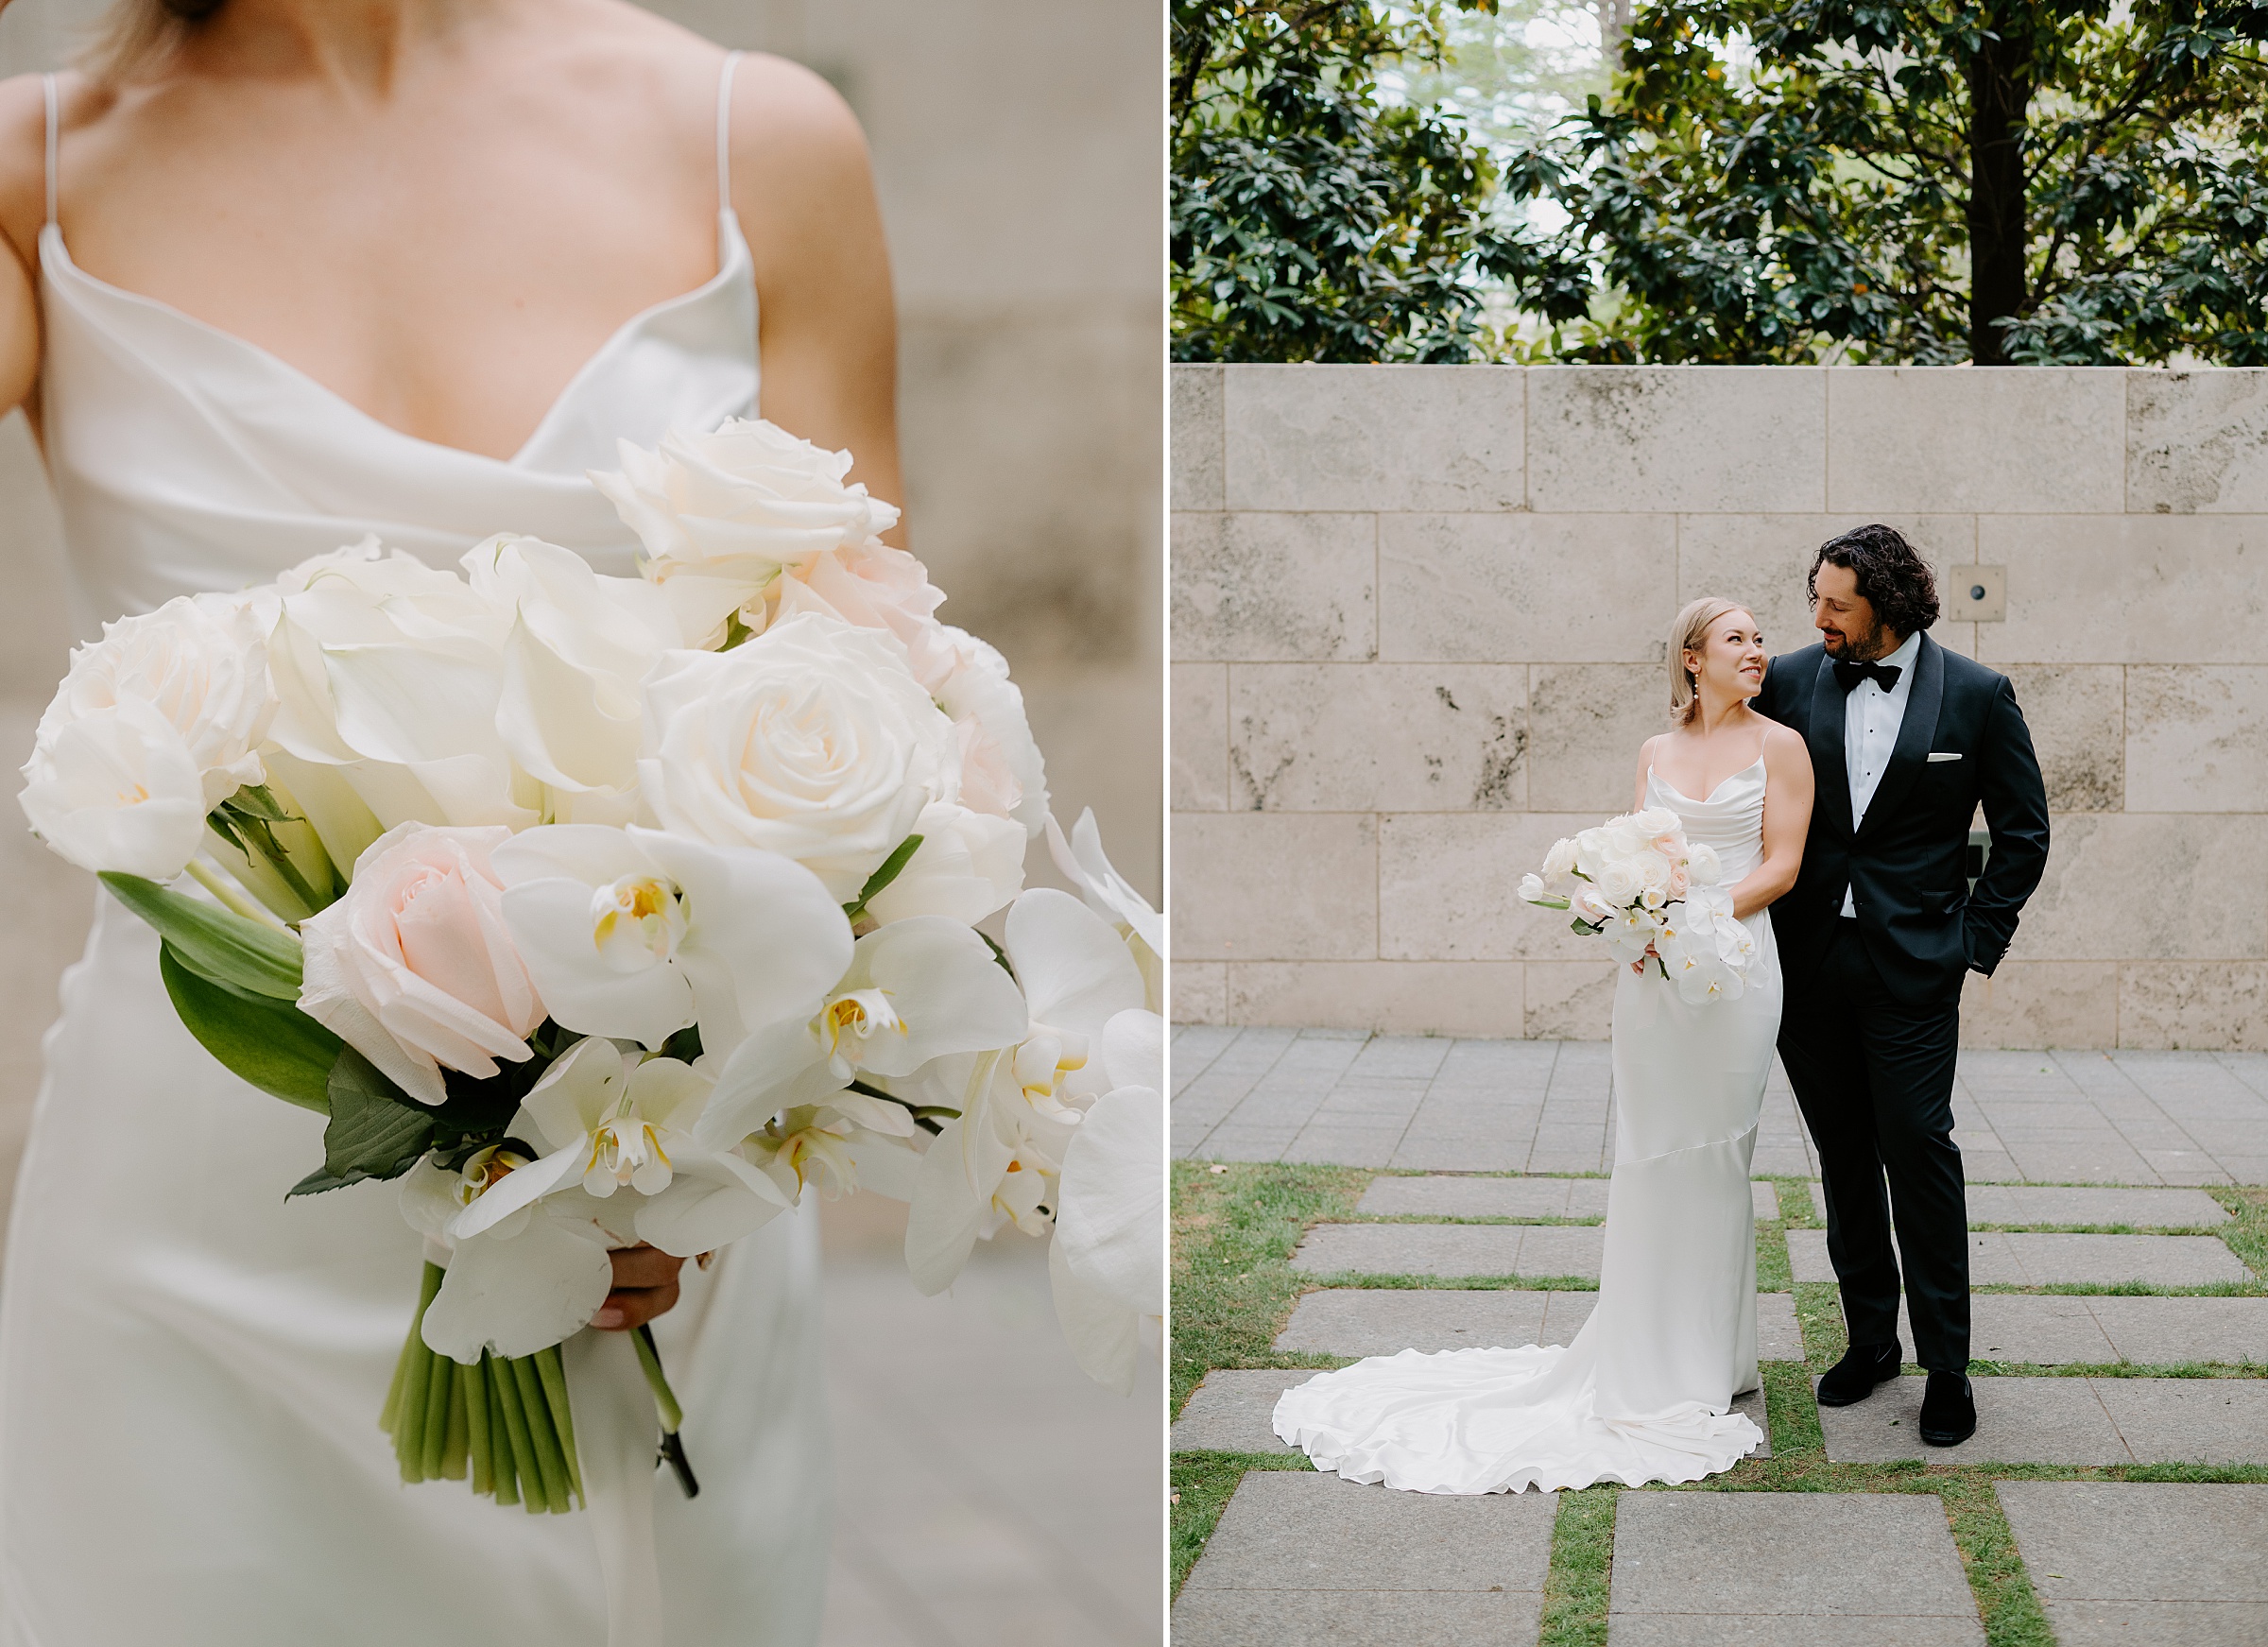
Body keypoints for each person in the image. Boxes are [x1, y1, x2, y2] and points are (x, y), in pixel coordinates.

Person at [0, 2, 899, 1638]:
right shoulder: (35, 170)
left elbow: (883, 720)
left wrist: (690, 1158)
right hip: (193, 1208)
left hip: (638, 1190)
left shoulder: (752, 143)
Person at [1273, 598, 1812, 1494]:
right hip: (1651, 977)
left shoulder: (1780, 746)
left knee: (1717, 1153)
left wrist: (1696, 917)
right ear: (1691, 658)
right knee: (1649, 1152)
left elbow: (1783, 863)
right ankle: (1646, 1354)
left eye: (1760, 640)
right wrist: (1637, 915)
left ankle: (1709, 1360)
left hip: (1738, 968)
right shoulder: (1654, 752)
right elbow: (1637, 852)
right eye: (1737, 640)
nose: (1758, 651)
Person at [1753, 523, 2050, 1449]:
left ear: (1886, 603)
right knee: (1843, 1160)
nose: (1819, 619)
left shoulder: (1976, 694)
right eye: (1817, 601)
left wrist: (1973, 938)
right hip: (1806, 970)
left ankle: (1948, 1371)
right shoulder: (1793, 679)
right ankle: (1871, 1345)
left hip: (1915, 971)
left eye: (1837, 604)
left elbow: (2024, 832)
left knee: (1920, 1154)